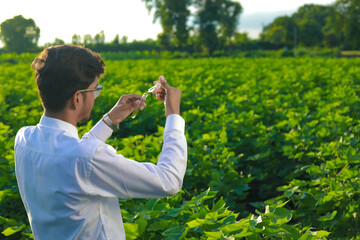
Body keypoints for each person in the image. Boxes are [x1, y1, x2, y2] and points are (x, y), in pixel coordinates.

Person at [14, 45, 187, 239]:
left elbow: (71, 155)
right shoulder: (87, 158)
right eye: (95, 90)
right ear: (77, 98)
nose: (96, 96)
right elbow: (168, 181)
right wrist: (173, 115)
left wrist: (109, 120)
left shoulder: (23, 139)